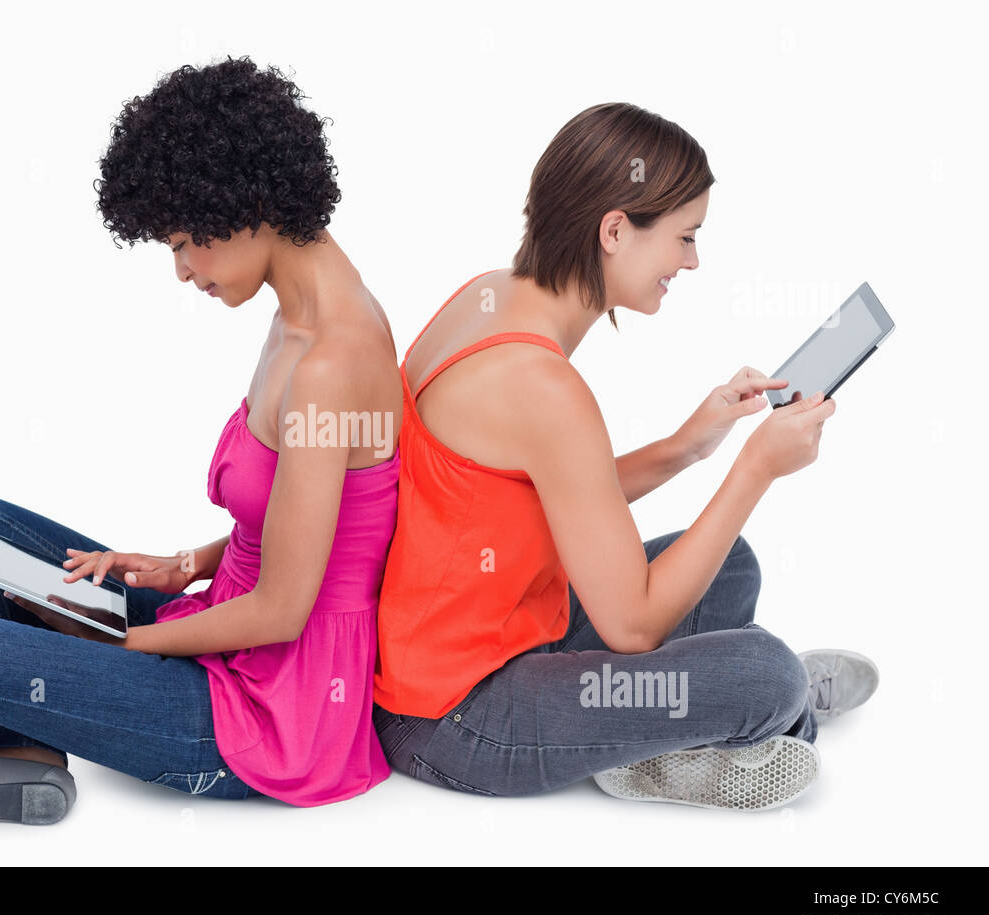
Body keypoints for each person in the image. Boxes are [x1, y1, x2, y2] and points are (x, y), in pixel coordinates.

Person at [0, 56, 403, 822]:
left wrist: (115, 651)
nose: (180, 271)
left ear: (241, 200)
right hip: (213, 623)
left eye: (183, 242)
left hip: (263, 713)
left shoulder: (333, 358)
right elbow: (302, 516)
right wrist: (181, 565)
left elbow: (283, 613)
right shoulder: (297, 317)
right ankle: (25, 749)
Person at [371, 102, 878, 810]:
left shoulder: (490, 298)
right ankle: (743, 717)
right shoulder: (544, 386)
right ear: (614, 230)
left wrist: (685, 448)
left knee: (732, 567)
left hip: (507, 623)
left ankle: (640, 740)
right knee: (768, 675)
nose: (692, 261)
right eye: (685, 237)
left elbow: (543, 490)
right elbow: (632, 628)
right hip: (458, 716)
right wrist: (755, 468)